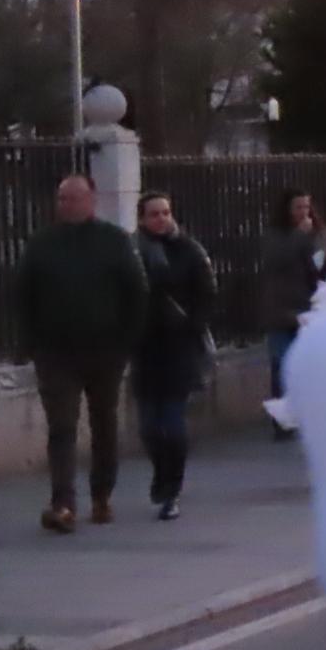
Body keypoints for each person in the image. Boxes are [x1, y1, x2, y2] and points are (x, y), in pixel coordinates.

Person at [18, 174, 148, 532]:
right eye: (62, 199)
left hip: (105, 351)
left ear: (91, 201)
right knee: (61, 425)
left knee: (103, 422)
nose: (67, 205)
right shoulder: (41, 244)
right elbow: (23, 293)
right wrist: (30, 342)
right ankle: (62, 503)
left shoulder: (114, 242)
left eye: (74, 198)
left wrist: (126, 341)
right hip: (55, 353)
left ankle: (102, 493)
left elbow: (136, 293)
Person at [131, 192, 217, 521]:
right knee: (149, 426)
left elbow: (206, 292)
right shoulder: (134, 251)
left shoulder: (189, 250)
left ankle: (172, 489)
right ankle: (160, 473)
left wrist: (193, 324)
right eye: (154, 214)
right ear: (142, 218)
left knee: (173, 423)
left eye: (166, 212)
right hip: (146, 347)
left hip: (179, 347)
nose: (161, 219)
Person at [258, 189, 326, 436]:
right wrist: (298, 238)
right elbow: (274, 260)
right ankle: (282, 420)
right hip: (280, 309)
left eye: (306, 207)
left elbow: (321, 264)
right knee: (282, 362)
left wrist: (319, 240)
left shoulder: (318, 232)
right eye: (298, 208)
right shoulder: (275, 236)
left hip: (308, 307)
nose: (303, 213)